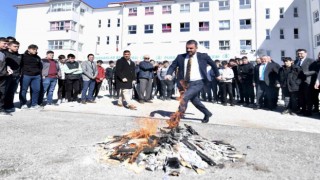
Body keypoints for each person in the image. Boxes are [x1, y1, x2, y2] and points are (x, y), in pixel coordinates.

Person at [165, 40, 221, 123]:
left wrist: (217, 75)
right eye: (187, 48)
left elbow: (213, 64)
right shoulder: (180, 57)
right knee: (195, 100)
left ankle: (176, 118)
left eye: (191, 48)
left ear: (196, 48)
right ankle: (207, 113)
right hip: (184, 83)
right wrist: (169, 73)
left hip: (198, 82)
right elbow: (173, 66)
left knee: (184, 97)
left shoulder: (203, 56)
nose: (189, 50)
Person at [19, 44, 42, 110]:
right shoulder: (23, 56)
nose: (35, 51)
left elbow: (40, 66)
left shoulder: (37, 57)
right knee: (24, 90)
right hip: (26, 75)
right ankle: (23, 104)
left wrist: (39, 74)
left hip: (36, 76)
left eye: (36, 49)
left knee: (36, 90)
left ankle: (34, 104)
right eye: (33, 49)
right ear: (29, 49)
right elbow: (19, 65)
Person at [294, 49, 315, 116]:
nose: (299, 55)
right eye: (298, 53)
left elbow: (315, 71)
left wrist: (306, 73)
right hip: (299, 82)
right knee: (301, 97)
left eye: (301, 53)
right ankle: (303, 110)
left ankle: (309, 111)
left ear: (306, 53)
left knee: (308, 97)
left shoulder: (311, 61)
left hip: (307, 81)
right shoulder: (296, 61)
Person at [3, 41, 21, 112]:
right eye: (15, 46)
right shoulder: (4, 54)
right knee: (4, 92)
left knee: (12, 92)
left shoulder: (18, 55)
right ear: (9, 46)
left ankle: (10, 106)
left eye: (18, 46)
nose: (17, 48)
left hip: (16, 76)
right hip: (7, 76)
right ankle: (3, 107)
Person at [0, 37, 12, 115]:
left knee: (2, 93)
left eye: (7, 44)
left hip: (3, 76)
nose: (6, 45)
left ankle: (1, 109)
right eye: (4, 43)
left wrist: (7, 69)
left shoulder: (3, 53)